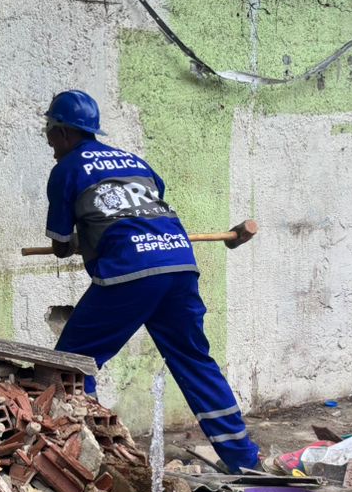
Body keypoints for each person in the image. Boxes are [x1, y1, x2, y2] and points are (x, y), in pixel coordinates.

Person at [42, 89, 261, 471]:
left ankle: (88, 458)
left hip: (130, 272)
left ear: (62, 131)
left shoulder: (67, 168)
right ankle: (244, 460)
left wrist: (80, 240)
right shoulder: (134, 161)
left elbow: (61, 245)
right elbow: (145, 207)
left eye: (48, 131)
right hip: (179, 263)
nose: (48, 142)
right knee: (194, 360)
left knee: (72, 364)